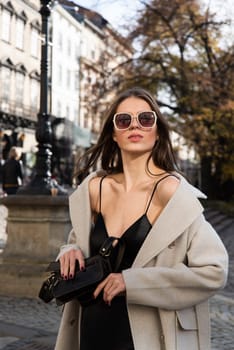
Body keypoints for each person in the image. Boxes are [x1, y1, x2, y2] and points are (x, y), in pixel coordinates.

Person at [55, 87, 228, 350]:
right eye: (124, 120)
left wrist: (132, 282)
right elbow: (78, 241)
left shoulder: (172, 192)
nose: (135, 125)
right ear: (114, 133)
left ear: (157, 131)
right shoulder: (94, 188)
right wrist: (68, 250)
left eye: (145, 119)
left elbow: (214, 271)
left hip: (146, 335)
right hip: (89, 329)